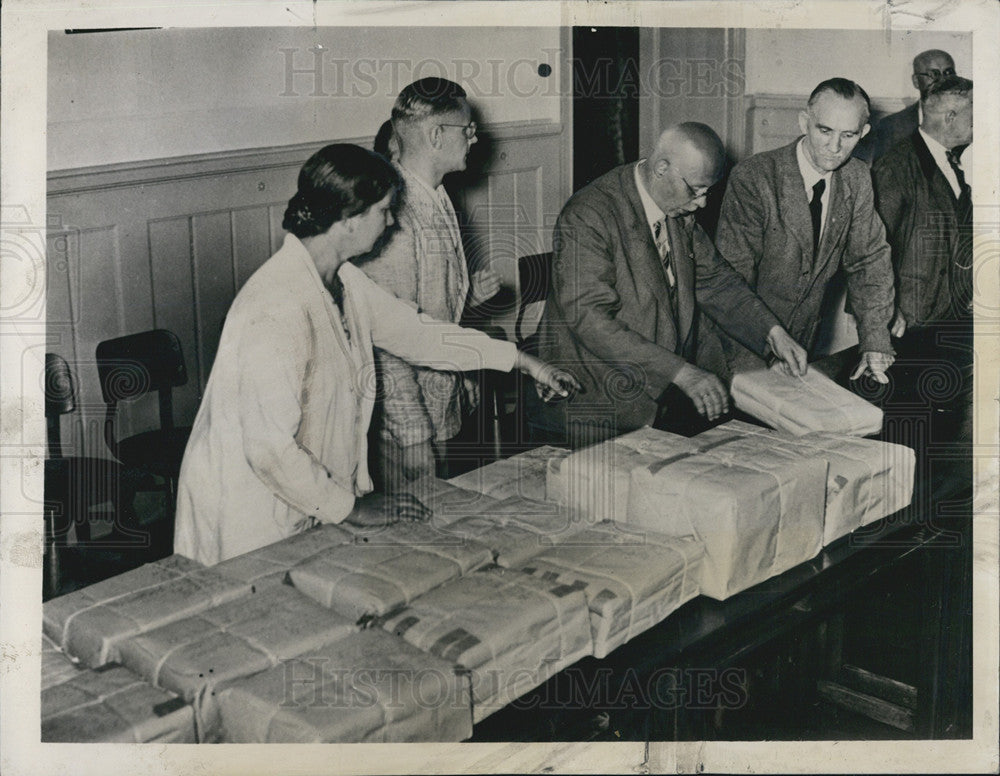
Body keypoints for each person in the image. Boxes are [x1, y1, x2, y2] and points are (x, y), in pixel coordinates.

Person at [173, 144, 578, 566]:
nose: (391, 221)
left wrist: (524, 362)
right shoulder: (274, 305)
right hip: (247, 507)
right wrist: (352, 509)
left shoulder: (345, 281)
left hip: (302, 497)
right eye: (384, 210)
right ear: (348, 218)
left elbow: (420, 335)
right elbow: (268, 449)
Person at [526, 122, 807, 448]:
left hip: (649, 397)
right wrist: (681, 373)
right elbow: (589, 318)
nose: (702, 204)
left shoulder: (677, 210)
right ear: (662, 168)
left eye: (707, 192)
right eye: (696, 190)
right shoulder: (589, 215)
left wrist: (773, 334)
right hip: (591, 403)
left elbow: (716, 281)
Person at [360, 78, 502, 488]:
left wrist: (462, 376)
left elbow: (432, 309)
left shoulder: (436, 197)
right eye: (468, 130)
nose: (474, 139)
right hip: (407, 426)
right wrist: (414, 437)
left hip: (439, 405)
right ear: (437, 135)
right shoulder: (395, 215)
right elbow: (385, 341)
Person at [714, 78, 896, 383]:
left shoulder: (858, 178)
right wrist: (758, 363)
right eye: (824, 131)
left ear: (863, 133)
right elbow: (731, 281)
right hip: (738, 346)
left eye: (848, 135)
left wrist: (875, 342)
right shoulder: (755, 177)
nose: (835, 147)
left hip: (800, 347)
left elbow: (869, 260)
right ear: (804, 122)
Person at [872, 76, 973, 364]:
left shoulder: (951, 161)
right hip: (909, 326)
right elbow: (870, 249)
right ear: (951, 117)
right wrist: (885, 311)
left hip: (948, 318)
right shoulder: (896, 167)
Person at [854, 49, 957, 164]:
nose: (943, 80)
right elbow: (883, 175)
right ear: (916, 81)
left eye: (948, 73)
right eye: (934, 74)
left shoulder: (967, 120)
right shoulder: (891, 126)